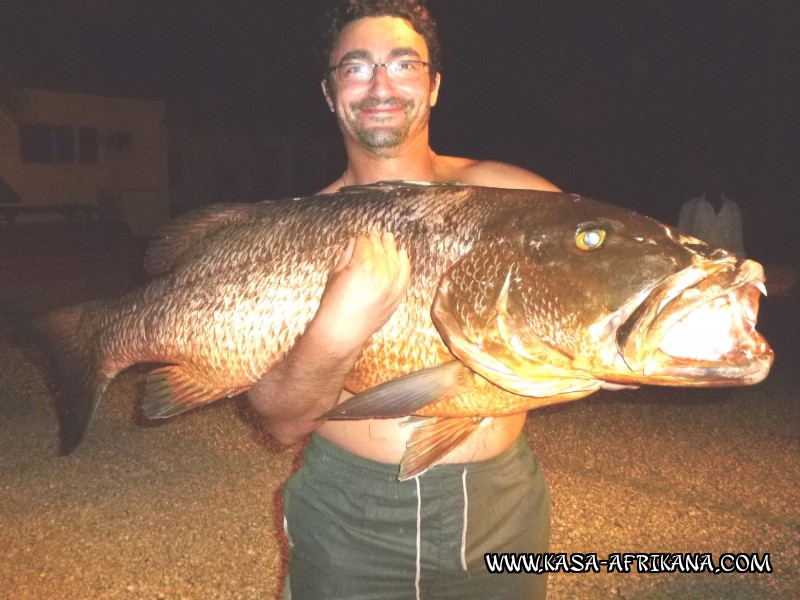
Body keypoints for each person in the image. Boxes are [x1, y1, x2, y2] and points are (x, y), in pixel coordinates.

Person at [248, 2, 559, 598]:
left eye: (403, 64)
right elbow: (281, 424)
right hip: (351, 513)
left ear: (434, 84)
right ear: (329, 91)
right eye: (356, 68)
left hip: (505, 507)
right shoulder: (287, 239)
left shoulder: (523, 199)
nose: (381, 85)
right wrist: (336, 331)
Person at [678, 171, 746, 258]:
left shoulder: (733, 209)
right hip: (697, 263)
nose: (714, 183)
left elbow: (738, 243)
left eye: (718, 180)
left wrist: (740, 262)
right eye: (711, 179)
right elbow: (681, 240)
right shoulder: (689, 207)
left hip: (725, 263)